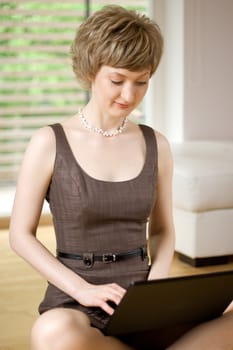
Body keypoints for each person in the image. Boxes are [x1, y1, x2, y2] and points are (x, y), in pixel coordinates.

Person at [9, 5, 233, 350]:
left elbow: (162, 230)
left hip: (143, 298)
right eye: (117, 80)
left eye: (141, 82)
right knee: (52, 334)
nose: (129, 95)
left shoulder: (155, 144)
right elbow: (21, 236)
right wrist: (82, 289)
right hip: (77, 298)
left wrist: (157, 288)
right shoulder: (49, 142)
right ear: (90, 71)